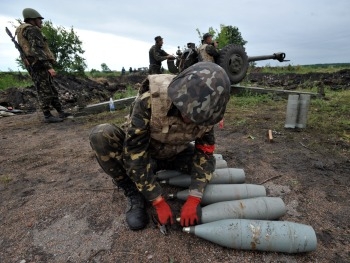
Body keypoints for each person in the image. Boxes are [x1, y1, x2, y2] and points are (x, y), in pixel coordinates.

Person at [89, 62, 231, 231]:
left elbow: (205, 153)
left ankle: (154, 173)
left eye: (197, 117)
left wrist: (194, 198)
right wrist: (157, 201)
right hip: (146, 152)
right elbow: (135, 153)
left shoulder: (208, 114)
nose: (190, 120)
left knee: (208, 165)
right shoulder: (150, 101)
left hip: (175, 153)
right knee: (101, 135)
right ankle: (133, 191)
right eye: (187, 113)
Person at [15, 8, 71, 123]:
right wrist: (48, 66)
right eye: (39, 19)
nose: (41, 21)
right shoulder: (32, 30)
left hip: (33, 64)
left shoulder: (22, 30)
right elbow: (37, 50)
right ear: (32, 19)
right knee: (45, 90)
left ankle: (60, 111)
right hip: (39, 65)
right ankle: (47, 115)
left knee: (50, 88)